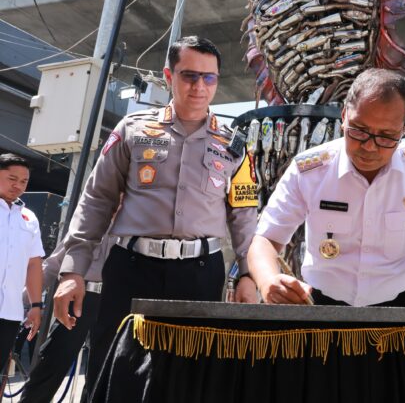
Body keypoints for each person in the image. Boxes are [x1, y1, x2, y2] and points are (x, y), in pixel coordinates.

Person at [52, 36, 260, 396]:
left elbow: (244, 217)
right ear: (168, 76)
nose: (199, 86)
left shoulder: (235, 146)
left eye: (208, 78)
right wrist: (73, 271)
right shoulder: (132, 130)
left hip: (200, 274)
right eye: (189, 75)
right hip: (132, 268)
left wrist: (249, 275)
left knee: (188, 378)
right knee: (113, 374)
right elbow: (97, 200)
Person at [248, 68, 405, 308]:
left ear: (404, 129)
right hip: (322, 306)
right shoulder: (309, 170)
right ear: (344, 116)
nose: (369, 147)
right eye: (359, 131)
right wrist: (267, 280)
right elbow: (266, 239)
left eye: (386, 137)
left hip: (399, 307)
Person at [20, 213, 118, 403]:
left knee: (102, 370)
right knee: (53, 359)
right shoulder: (87, 227)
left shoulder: (134, 228)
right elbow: (53, 264)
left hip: (112, 302)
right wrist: (24, 299)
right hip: (80, 299)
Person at [0, 153, 43, 373]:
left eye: (23, 181)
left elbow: (34, 264)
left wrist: (36, 305)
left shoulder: (29, 218)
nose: (18, 185)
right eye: (12, 178)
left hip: (10, 311)